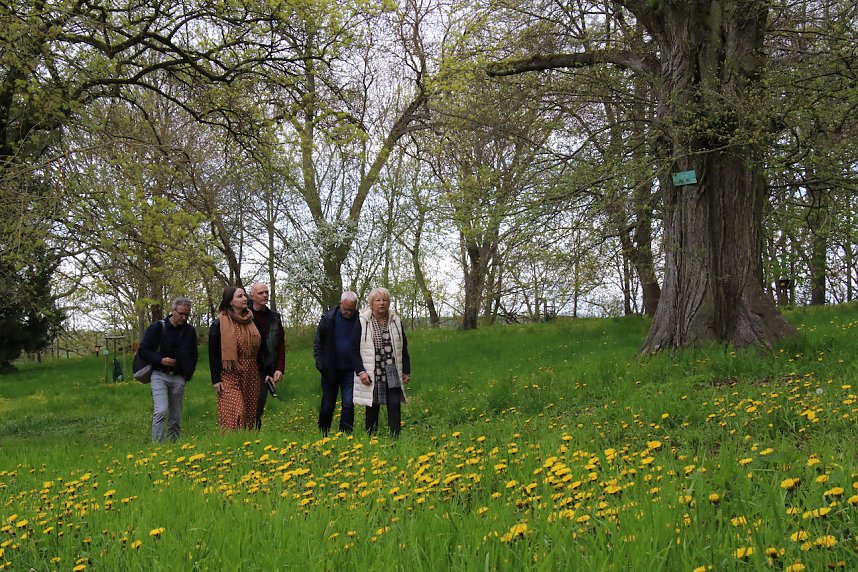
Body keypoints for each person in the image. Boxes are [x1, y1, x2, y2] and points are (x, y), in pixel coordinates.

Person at [209, 286, 270, 432]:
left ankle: (245, 446)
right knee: (237, 411)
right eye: (239, 296)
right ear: (230, 301)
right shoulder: (219, 323)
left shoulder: (251, 320)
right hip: (229, 373)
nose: (244, 299)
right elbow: (213, 353)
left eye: (244, 295)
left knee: (250, 415)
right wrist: (216, 379)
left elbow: (263, 348)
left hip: (251, 372)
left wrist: (268, 370)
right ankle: (230, 444)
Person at [138, 296, 199, 442]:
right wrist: (160, 360)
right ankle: (158, 446)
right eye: (181, 314)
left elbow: (193, 354)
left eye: (187, 315)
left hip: (178, 377)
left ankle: (173, 445)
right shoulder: (158, 327)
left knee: (175, 416)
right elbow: (143, 350)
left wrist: (187, 374)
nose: (183, 318)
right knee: (161, 411)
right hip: (159, 375)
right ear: (173, 311)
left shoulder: (190, 331)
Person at [352, 287, 411, 437]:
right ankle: (371, 437)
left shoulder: (396, 321)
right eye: (378, 300)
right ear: (371, 303)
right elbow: (352, 350)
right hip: (372, 369)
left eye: (385, 300)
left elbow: (403, 346)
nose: (382, 303)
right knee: (372, 405)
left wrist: (406, 370)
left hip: (392, 369)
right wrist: (361, 372)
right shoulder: (362, 321)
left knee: (394, 404)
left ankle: (395, 437)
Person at [313, 291, 359, 434]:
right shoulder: (328, 318)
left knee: (348, 404)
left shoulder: (360, 319)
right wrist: (320, 365)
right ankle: (323, 433)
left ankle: (346, 435)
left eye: (351, 310)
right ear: (340, 304)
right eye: (346, 309)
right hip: (330, 370)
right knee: (328, 404)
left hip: (350, 370)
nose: (348, 313)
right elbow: (318, 344)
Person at [249, 282, 286, 430]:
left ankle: (253, 437)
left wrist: (279, 368)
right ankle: (242, 437)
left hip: (266, 369)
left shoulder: (274, 318)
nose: (265, 295)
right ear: (252, 295)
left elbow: (280, 345)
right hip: (247, 367)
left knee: (259, 406)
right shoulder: (245, 315)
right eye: (260, 293)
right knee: (246, 407)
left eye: (266, 292)